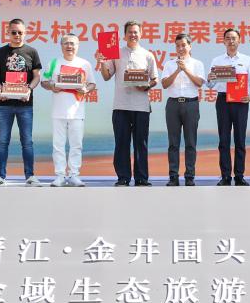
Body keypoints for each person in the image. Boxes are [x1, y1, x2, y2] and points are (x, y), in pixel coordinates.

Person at [96, 20, 158, 186]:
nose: (133, 34)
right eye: (130, 32)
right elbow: (106, 76)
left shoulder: (148, 55)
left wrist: (146, 85)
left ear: (141, 34)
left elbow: (155, 79)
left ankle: (141, 178)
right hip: (121, 105)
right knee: (121, 143)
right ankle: (123, 177)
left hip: (141, 106)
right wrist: (102, 63)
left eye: (136, 32)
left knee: (141, 143)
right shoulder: (115, 52)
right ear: (124, 35)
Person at [0, 19, 43, 186]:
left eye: (20, 32)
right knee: (2, 141)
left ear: (25, 33)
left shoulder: (32, 52)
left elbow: (37, 77)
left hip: (25, 105)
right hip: (4, 104)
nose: (17, 35)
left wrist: (29, 89)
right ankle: (0, 176)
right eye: (14, 32)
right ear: (8, 33)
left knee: (27, 142)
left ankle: (30, 176)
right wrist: (0, 89)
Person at [41, 34, 97, 187]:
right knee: (58, 145)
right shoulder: (54, 63)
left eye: (72, 43)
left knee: (76, 145)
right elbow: (44, 82)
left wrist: (85, 89)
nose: (69, 46)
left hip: (77, 112)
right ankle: (60, 175)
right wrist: (52, 86)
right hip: (58, 111)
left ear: (77, 46)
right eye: (66, 43)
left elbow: (92, 84)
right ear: (61, 45)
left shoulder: (84, 64)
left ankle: (74, 175)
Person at [207, 28, 250, 186]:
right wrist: (210, 79)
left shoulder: (247, 59)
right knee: (224, 140)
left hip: (241, 101)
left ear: (239, 40)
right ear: (223, 41)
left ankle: (239, 176)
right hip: (223, 101)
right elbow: (210, 85)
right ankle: (225, 176)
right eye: (228, 38)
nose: (231, 41)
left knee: (240, 140)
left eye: (234, 38)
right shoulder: (217, 60)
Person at [160, 33, 205, 186]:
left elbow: (199, 83)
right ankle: (173, 176)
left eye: (183, 45)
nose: (180, 48)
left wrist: (185, 69)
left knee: (190, 142)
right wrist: (177, 70)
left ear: (189, 46)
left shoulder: (197, 63)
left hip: (191, 104)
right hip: (173, 105)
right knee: (173, 143)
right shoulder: (169, 64)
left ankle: (189, 176)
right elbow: (165, 84)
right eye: (178, 46)